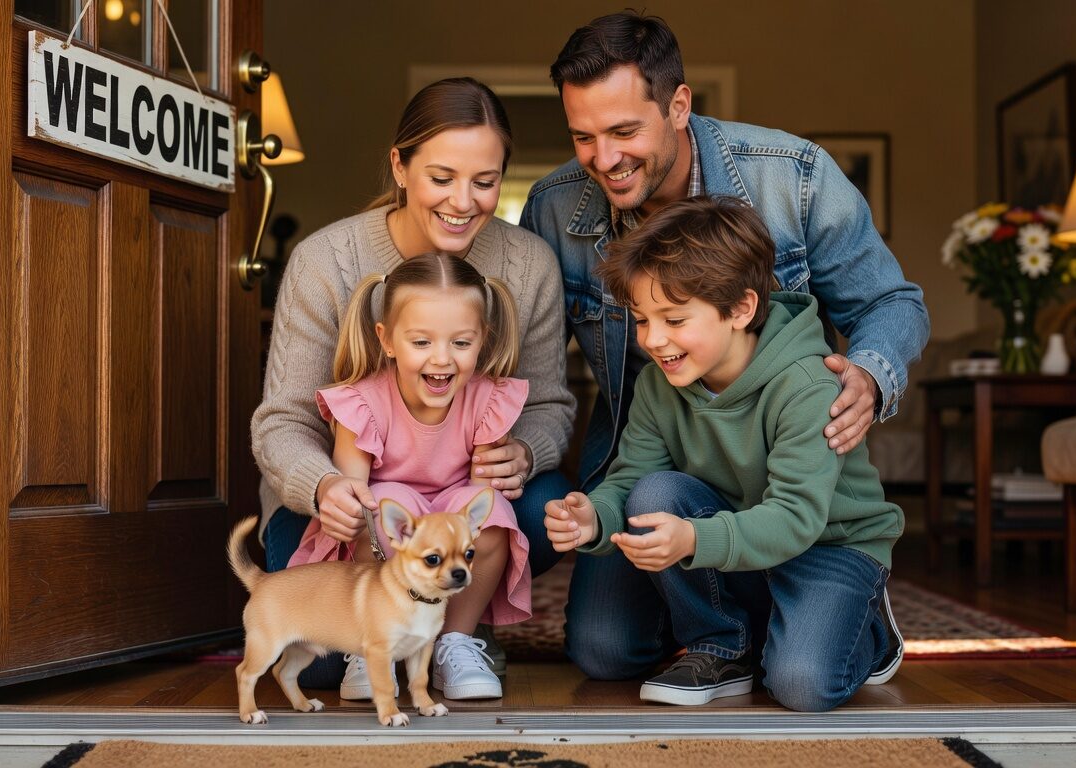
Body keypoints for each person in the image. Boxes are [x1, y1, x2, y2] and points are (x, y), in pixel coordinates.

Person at [518, 11, 927, 678]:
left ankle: (827, 614)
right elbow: (538, 373)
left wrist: (871, 375)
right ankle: (729, 634)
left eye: (625, 131)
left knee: (803, 672)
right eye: (584, 137)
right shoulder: (555, 206)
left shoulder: (792, 177)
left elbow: (891, 302)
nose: (604, 159)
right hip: (647, 449)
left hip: (781, 449)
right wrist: (582, 508)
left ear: (679, 105)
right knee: (605, 649)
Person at [251, 77, 574, 690]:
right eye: (442, 177)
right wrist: (323, 487)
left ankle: (458, 636)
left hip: (463, 497)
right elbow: (284, 421)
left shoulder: (528, 264)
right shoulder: (327, 262)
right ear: (399, 166)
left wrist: (524, 451)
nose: (464, 201)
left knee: (536, 507)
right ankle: (395, 636)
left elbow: (550, 403)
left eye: (485, 181)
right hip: (351, 504)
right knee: (316, 659)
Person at [544, 196, 905, 711]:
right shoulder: (658, 385)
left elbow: (796, 518)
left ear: (741, 309)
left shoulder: (806, 385)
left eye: (673, 319)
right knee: (653, 495)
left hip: (825, 544)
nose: (653, 340)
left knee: (802, 685)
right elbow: (629, 482)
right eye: (642, 320)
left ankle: (868, 633)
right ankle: (725, 644)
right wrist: (594, 518)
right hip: (735, 544)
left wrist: (692, 536)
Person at [288, 254, 533, 700]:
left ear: (482, 341)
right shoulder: (361, 403)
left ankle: (452, 641)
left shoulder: (488, 399)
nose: (442, 359)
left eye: (461, 343)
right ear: (387, 340)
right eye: (421, 342)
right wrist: (342, 506)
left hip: (448, 524)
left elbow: (478, 503)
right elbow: (352, 499)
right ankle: (370, 643)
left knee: (494, 511)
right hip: (383, 543)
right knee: (379, 503)